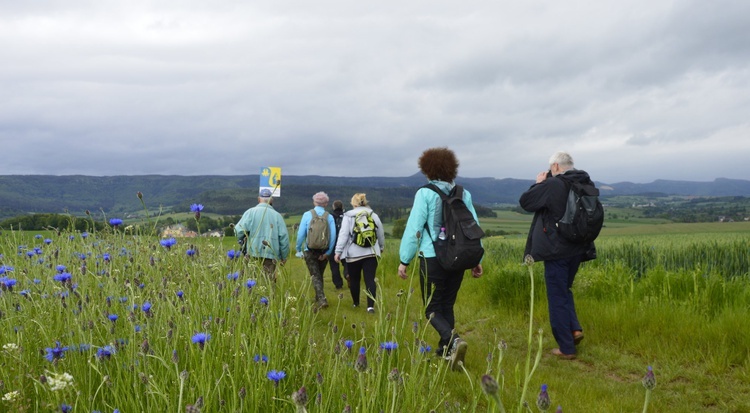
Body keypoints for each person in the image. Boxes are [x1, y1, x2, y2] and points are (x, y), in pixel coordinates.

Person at [397, 147, 483, 370]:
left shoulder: (425, 193)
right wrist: (476, 260)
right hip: (459, 257)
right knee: (447, 303)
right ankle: (446, 351)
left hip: (432, 257)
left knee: (431, 309)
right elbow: (473, 227)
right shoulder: (464, 194)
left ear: (427, 170)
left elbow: (414, 228)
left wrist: (404, 259)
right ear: (451, 169)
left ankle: (454, 341)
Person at [519, 151, 597, 360]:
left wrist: (538, 183)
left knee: (556, 296)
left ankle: (566, 348)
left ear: (555, 167)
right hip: (579, 248)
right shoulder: (584, 182)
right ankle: (574, 330)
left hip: (557, 250)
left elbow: (526, 202)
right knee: (564, 290)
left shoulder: (553, 184)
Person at [334, 193, 385, 313]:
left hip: (353, 254)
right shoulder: (373, 214)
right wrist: (381, 247)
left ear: (353, 204)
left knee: (355, 279)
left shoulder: (348, 216)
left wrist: (338, 252)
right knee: (370, 279)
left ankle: (356, 303)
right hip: (372, 252)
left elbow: (343, 235)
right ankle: (370, 306)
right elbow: (380, 232)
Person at [234, 188, 290, 279]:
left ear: (258, 199)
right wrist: (283, 257)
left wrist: (242, 239)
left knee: (251, 282)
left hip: (252, 254)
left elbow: (238, 231)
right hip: (270, 256)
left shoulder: (250, 212)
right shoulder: (277, 216)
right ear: (272, 200)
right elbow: (284, 239)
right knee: (268, 283)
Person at [296, 191, 337, 310]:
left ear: (314, 202)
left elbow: (301, 234)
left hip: (310, 250)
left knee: (315, 275)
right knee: (319, 274)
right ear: (326, 203)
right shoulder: (329, 217)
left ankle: (322, 299)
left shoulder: (307, 215)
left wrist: (298, 248)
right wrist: (328, 253)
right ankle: (318, 297)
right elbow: (333, 236)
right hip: (324, 251)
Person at [328, 200, 347, 290]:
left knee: (334, 265)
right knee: (346, 261)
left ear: (333, 207)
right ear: (342, 207)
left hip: (333, 243)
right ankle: (347, 274)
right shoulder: (346, 216)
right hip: (345, 243)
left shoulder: (330, 217)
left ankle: (338, 284)